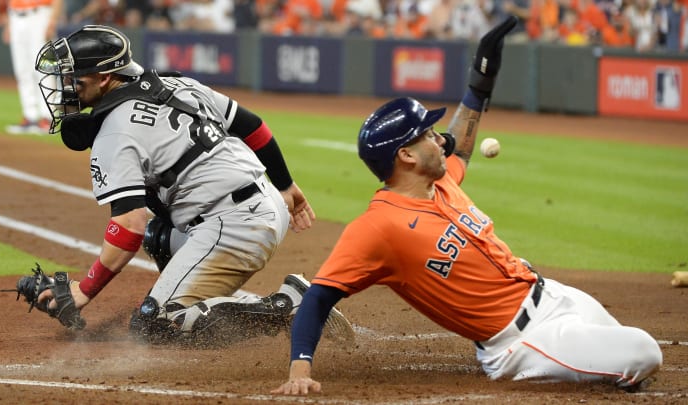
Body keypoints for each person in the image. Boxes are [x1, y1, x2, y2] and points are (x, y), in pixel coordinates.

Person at [272, 15, 663, 395]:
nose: (440, 140)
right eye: (428, 134)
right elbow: (320, 296)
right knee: (644, 352)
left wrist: (481, 78)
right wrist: (300, 370)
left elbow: (459, 142)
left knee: (620, 341)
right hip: (523, 341)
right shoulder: (378, 228)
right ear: (406, 155)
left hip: (557, 297)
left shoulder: (440, 180)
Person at [31, 24, 354, 346]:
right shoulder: (176, 82)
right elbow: (252, 126)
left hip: (233, 227)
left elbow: (129, 225)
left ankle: (287, 305)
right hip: (264, 202)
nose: (68, 87)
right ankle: (188, 294)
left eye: (76, 78)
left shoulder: (115, 132)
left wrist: (83, 291)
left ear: (104, 77)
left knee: (155, 329)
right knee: (158, 236)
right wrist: (286, 186)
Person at [3, 0, 62, 135]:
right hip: (15, 16)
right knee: (22, 70)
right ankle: (30, 117)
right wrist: (7, 24)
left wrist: (52, 21)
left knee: (44, 68)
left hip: (40, 15)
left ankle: (48, 118)